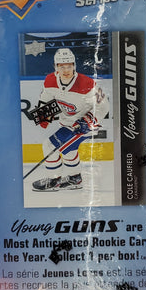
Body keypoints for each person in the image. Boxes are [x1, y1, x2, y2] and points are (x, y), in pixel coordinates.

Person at [32, 47, 109, 192]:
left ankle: (53, 180)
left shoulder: (86, 83)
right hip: (66, 123)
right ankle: (75, 179)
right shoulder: (50, 80)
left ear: (74, 65)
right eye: (62, 67)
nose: (66, 70)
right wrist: (43, 114)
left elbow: (104, 106)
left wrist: (88, 121)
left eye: (69, 66)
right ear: (56, 67)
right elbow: (46, 98)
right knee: (69, 151)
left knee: (49, 145)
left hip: (84, 125)